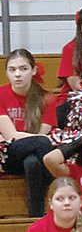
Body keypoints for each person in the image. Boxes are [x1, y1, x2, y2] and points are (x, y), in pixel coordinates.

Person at [0, 49, 60, 217]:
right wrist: (40, 140)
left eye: (23, 69)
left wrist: (38, 140)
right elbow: (10, 136)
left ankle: (36, 218)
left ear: (33, 70)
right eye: (12, 70)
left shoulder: (47, 98)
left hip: (34, 156)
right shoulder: (0, 94)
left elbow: (42, 137)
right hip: (7, 154)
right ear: (6, 73)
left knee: (32, 162)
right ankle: (55, 182)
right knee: (43, 143)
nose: (17, 74)